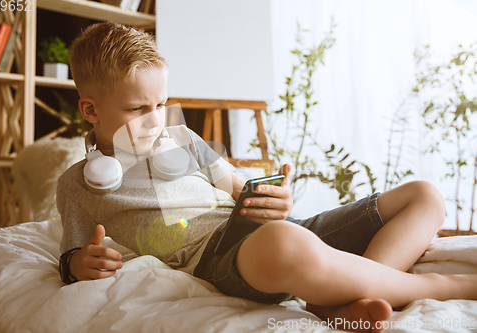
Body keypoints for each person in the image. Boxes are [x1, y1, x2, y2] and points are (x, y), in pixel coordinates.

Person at [58, 21, 477, 333]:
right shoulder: (79, 185)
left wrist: (277, 201)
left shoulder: (181, 137)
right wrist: (78, 262)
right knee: (286, 241)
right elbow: (70, 256)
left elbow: (243, 192)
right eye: (137, 109)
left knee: (424, 195)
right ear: (91, 110)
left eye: (162, 104)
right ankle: (445, 285)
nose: (155, 120)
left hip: (272, 231)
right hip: (218, 257)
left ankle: (346, 301)